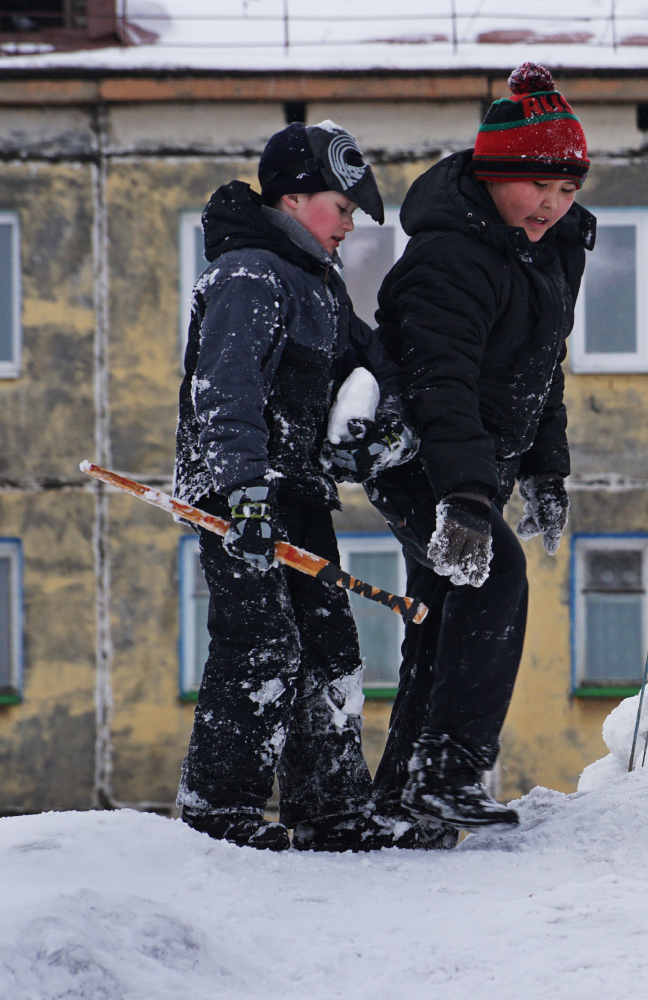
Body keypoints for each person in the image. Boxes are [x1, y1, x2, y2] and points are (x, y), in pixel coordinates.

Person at [172, 120, 417, 852]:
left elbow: (365, 362)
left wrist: (380, 411)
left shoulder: (316, 285)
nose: (349, 224)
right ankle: (220, 816)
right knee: (262, 644)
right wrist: (244, 491)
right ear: (294, 197)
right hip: (238, 498)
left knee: (330, 647)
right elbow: (227, 391)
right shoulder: (249, 275)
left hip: (299, 495)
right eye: (341, 208)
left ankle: (332, 810)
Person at [365, 63, 595, 832]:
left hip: (474, 462)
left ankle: (404, 796)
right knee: (492, 579)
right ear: (497, 173)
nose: (553, 207)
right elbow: (441, 384)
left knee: (440, 614)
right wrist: (464, 497)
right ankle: (449, 770)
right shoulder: (450, 258)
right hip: (421, 454)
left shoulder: (541, 253)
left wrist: (546, 468)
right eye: (540, 188)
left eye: (568, 192)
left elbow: (540, 368)